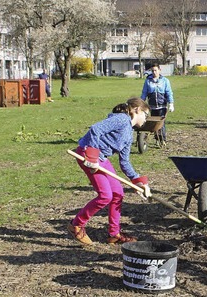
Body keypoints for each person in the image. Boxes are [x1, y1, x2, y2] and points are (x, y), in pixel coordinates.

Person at [67, 97, 152, 245]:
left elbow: (124, 162)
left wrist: (138, 181)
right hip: (87, 153)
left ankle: (114, 234)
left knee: (118, 193)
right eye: (146, 114)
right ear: (137, 110)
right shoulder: (121, 119)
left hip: (102, 158)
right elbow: (96, 129)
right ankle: (77, 224)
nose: (146, 118)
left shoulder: (129, 134)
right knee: (105, 196)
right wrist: (92, 157)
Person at [141, 63, 174, 147]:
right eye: (152, 71)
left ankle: (162, 140)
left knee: (161, 124)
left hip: (162, 106)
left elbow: (169, 92)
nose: (154, 72)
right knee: (154, 124)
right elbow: (144, 93)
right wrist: (141, 103)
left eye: (155, 70)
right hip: (152, 106)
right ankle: (157, 139)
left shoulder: (165, 81)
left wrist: (171, 103)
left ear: (159, 70)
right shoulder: (148, 81)